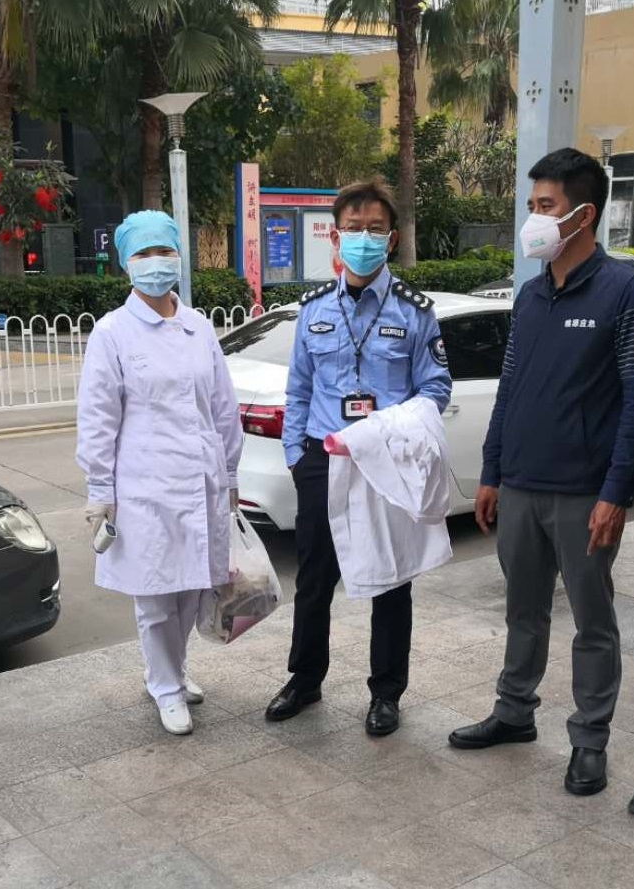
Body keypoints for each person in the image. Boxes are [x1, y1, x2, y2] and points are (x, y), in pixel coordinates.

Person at [447, 148, 634, 796]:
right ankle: (514, 712)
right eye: (532, 205)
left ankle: (589, 741)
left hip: (583, 494)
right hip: (520, 486)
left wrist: (616, 492)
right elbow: (510, 388)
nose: (533, 218)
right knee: (524, 610)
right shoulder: (531, 294)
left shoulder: (626, 291)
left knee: (592, 621)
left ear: (582, 214)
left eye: (545, 206)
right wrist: (491, 471)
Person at [266, 177, 452, 736]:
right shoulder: (313, 309)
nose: (364, 238)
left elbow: (435, 388)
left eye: (375, 229)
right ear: (336, 237)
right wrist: (296, 456)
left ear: (391, 239)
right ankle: (304, 679)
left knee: (392, 579)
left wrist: (390, 430)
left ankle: (386, 693)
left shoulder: (416, 312)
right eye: (354, 229)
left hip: (385, 462)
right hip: (322, 459)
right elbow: (298, 389)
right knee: (314, 578)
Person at [76, 210, 243, 737]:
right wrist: (100, 488)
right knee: (154, 595)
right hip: (144, 486)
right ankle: (164, 686)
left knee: (194, 588)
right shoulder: (112, 333)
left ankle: (175, 668)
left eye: (164, 251)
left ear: (178, 256)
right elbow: (98, 417)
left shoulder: (198, 328)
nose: (155, 263)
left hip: (201, 481)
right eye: (143, 254)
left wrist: (230, 474)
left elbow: (223, 407)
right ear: (126, 263)